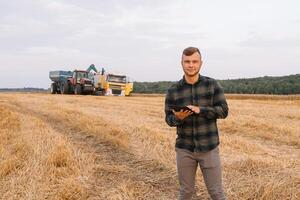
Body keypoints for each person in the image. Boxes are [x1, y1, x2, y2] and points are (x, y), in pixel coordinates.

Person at [165, 47, 228, 200]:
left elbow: (224, 111)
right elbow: (168, 119)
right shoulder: (173, 90)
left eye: (194, 61)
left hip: (209, 148)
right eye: (187, 61)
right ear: (181, 63)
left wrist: (202, 110)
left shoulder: (212, 85)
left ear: (201, 63)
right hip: (184, 149)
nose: (191, 65)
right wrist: (178, 118)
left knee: (216, 193)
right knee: (186, 192)